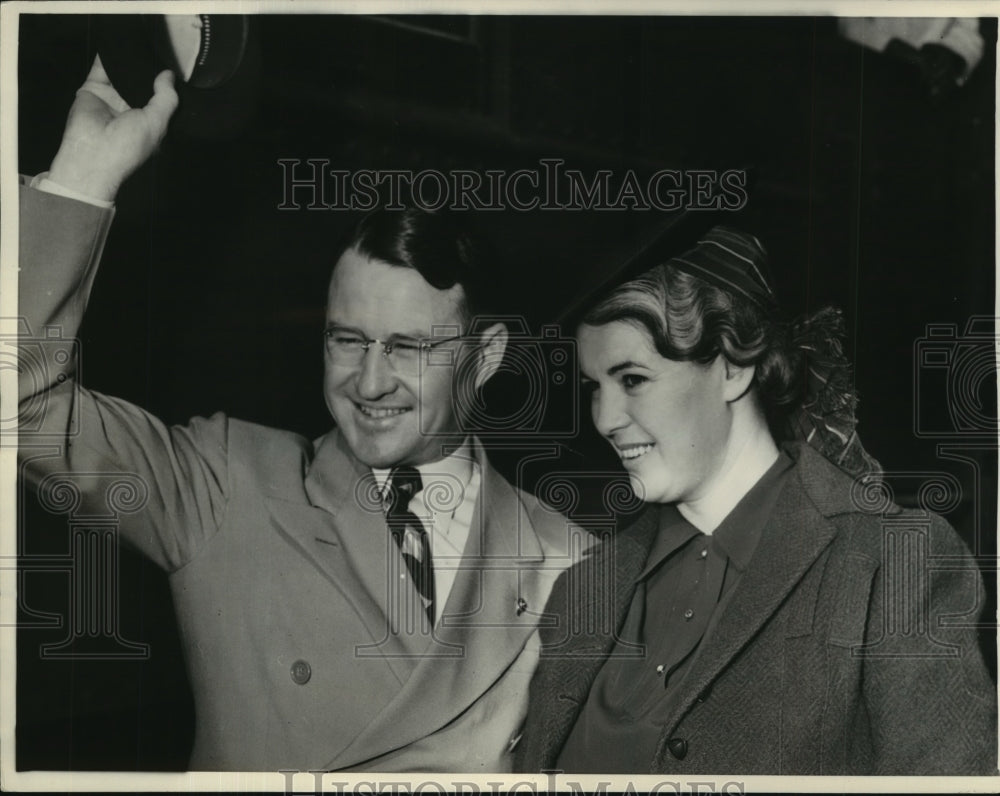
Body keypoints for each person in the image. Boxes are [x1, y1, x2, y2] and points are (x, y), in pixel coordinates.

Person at [17, 59, 586, 772]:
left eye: (407, 347)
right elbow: (22, 407)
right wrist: (82, 177)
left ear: (488, 353)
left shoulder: (569, 558)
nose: (369, 382)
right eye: (347, 340)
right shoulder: (223, 484)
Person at [514, 226, 997, 775]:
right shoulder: (584, 587)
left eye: (632, 379)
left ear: (732, 367)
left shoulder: (892, 563)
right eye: (593, 386)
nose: (604, 419)